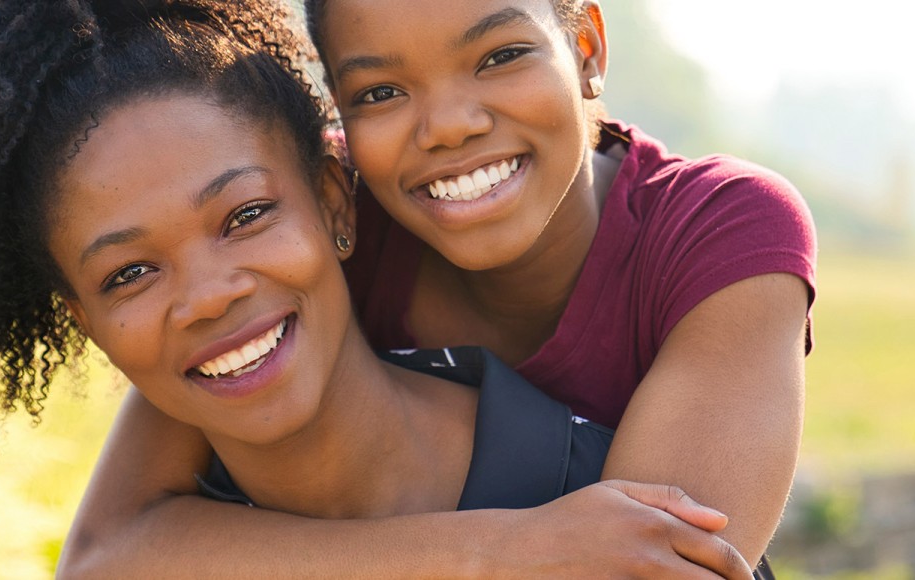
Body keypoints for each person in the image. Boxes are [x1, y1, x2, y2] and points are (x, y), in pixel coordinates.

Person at [0, 0, 760, 578]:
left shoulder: (709, 244)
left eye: (246, 216)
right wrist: (495, 555)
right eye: (129, 273)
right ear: (82, 322)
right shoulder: (327, 215)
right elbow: (106, 558)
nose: (210, 293)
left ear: (332, 206)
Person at [66, 0, 818, 575]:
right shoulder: (303, 222)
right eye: (381, 92)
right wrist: (493, 552)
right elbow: (115, 551)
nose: (450, 126)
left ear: (585, 48)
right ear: (339, 118)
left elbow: (654, 564)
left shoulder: (719, 229)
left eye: (500, 56)